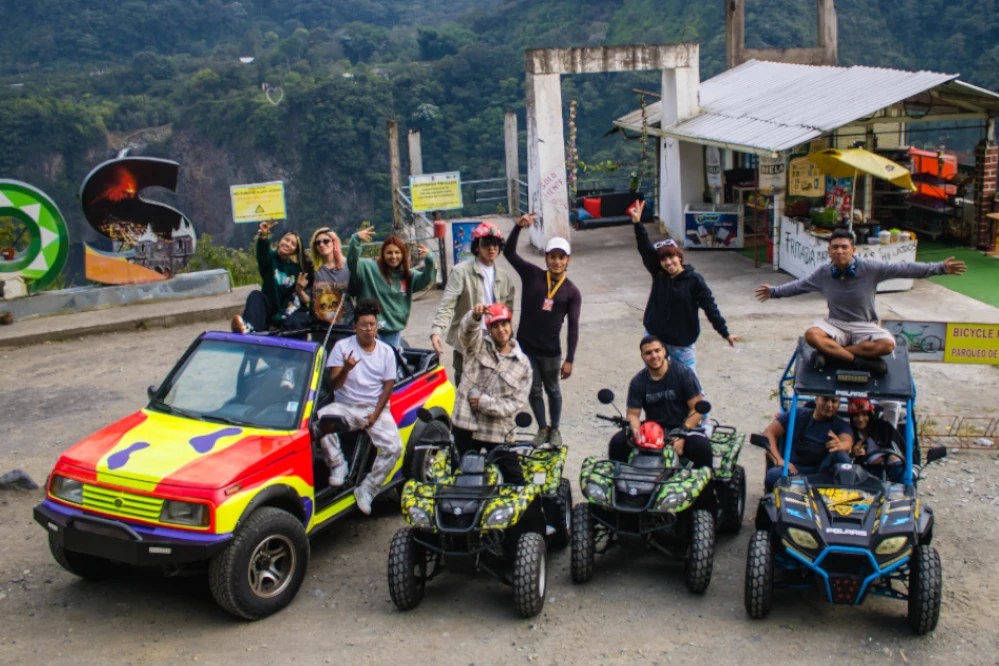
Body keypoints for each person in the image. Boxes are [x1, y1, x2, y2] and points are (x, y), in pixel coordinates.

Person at [755, 228, 967, 376]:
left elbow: (904, 268)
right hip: (835, 323)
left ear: (853, 250)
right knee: (812, 335)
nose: (839, 251)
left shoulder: (870, 268)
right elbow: (799, 286)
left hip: (864, 324)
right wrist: (774, 292)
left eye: (844, 247)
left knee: (887, 344)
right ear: (829, 251)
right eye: (835, 247)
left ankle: (833, 356)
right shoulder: (823, 273)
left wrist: (939, 268)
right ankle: (855, 360)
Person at [629, 200, 739, 378]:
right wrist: (637, 223)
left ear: (679, 257)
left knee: (688, 380)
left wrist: (724, 332)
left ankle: (695, 406)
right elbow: (644, 248)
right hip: (655, 337)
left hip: (681, 341)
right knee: (656, 379)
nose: (668, 263)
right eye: (663, 260)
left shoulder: (694, 280)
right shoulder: (659, 274)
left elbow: (710, 307)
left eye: (671, 257)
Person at [503, 212, 582, 447]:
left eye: (561, 257)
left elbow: (574, 327)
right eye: (552, 257)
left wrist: (570, 359)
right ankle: (542, 427)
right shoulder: (532, 275)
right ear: (546, 258)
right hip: (526, 348)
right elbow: (509, 253)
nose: (556, 261)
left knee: (553, 391)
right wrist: (518, 227)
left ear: (568, 260)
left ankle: (555, 429)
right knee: (533, 390)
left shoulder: (571, 291)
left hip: (551, 351)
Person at [315, 299, 400, 515]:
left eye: (372, 324)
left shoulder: (386, 351)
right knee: (321, 419)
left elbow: (388, 387)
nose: (369, 329)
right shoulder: (342, 347)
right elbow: (333, 384)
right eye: (364, 325)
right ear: (355, 327)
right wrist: (346, 368)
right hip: (346, 405)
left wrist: (375, 414)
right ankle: (337, 463)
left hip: (374, 406)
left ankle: (369, 489)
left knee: (394, 447)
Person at [450, 303, 532, 481]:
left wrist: (483, 403)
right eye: (495, 326)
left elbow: (515, 403)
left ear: (511, 325)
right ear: (489, 329)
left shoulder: (523, 363)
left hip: (498, 431)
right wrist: (474, 316)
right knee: (458, 480)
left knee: (515, 483)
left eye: (504, 324)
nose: (501, 330)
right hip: (465, 426)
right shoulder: (477, 345)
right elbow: (466, 333)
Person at [607, 335, 713, 469]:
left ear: (664, 351)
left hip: (684, 427)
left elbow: (697, 409)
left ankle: (708, 489)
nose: (654, 356)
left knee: (702, 448)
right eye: (648, 353)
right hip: (654, 430)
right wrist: (635, 431)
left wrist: (682, 435)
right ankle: (620, 484)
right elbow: (633, 414)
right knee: (618, 442)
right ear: (642, 356)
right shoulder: (638, 382)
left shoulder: (683, 373)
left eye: (657, 351)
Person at [430, 221, 515, 385]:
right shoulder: (461, 272)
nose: (491, 248)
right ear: (477, 246)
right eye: (486, 244)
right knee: (466, 394)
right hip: (468, 342)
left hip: (494, 343)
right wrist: (436, 331)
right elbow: (447, 304)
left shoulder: (504, 278)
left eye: (495, 244)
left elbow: (508, 313)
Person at [348, 228, 437, 348]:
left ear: (402, 254)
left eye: (397, 252)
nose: (393, 256)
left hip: (392, 331)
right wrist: (356, 240)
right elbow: (353, 263)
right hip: (368, 329)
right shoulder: (368, 268)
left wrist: (430, 260)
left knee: (390, 362)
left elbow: (425, 279)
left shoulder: (408, 275)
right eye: (389, 253)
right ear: (383, 254)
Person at [762, 395, 854, 491]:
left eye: (834, 401)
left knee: (842, 456)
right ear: (817, 399)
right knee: (773, 475)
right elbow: (768, 433)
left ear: (838, 405)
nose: (829, 405)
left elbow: (847, 441)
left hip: (821, 476)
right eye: (825, 399)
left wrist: (840, 445)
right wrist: (779, 460)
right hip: (792, 471)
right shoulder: (797, 414)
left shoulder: (840, 425)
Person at [232, 221, 309, 334]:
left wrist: (300, 289)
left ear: (296, 251)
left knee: (298, 319)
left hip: (288, 309)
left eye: (293, 244)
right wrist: (263, 236)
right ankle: (249, 328)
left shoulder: (297, 269)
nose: (288, 244)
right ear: (279, 241)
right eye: (286, 240)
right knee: (255, 296)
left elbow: (307, 297)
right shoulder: (270, 259)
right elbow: (262, 253)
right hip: (270, 305)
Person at [302, 227, 353, 326]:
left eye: (326, 241)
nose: (322, 244)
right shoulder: (311, 268)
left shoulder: (348, 265)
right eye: (318, 242)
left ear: (334, 243)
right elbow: (307, 297)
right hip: (320, 326)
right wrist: (300, 289)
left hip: (346, 323)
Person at [847, 398, 904, 482]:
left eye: (864, 414)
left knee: (895, 460)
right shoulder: (849, 434)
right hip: (865, 475)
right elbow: (846, 463)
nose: (860, 419)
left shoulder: (884, 426)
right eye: (856, 415)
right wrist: (853, 455)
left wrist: (869, 394)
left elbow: (893, 405)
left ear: (870, 415)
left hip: (891, 473)